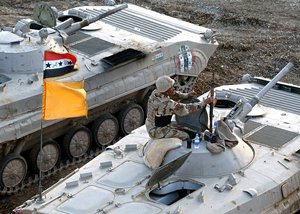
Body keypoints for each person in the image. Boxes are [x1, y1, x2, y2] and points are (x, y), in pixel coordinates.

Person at [145, 75, 216, 140]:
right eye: (171, 88)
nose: (173, 88)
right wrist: (204, 103)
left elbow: (174, 93)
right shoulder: (166, 104)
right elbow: (185, 108)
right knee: (186, 135)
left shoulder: (156, 92)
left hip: (154, 124)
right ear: (166, 91)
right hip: (156, 131)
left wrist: (186, 95)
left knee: (185, 128)